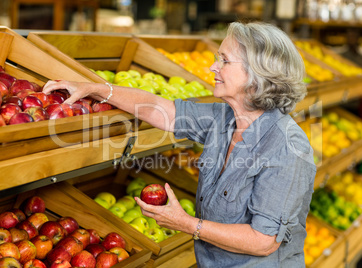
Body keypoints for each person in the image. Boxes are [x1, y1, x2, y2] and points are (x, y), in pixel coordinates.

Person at [43, 21, 316, 267]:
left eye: (224, 60)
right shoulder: (226, 118)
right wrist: (98, 89)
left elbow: (263, 240)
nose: (213, 67)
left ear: (257, 75)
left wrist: (186, 224)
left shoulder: (287, 148)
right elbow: (162, 110)